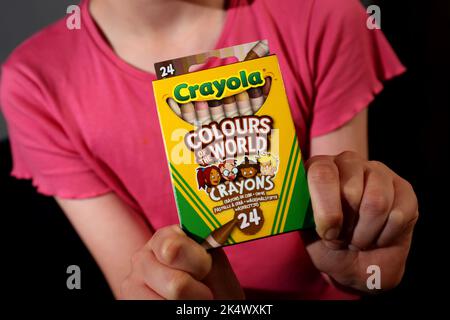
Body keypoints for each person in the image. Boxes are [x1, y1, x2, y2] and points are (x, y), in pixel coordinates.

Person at [0, 0, 418, 299]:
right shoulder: (36, 83)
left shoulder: (323, 14)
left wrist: (359, 263)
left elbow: (345, 253)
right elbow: (139, 281)